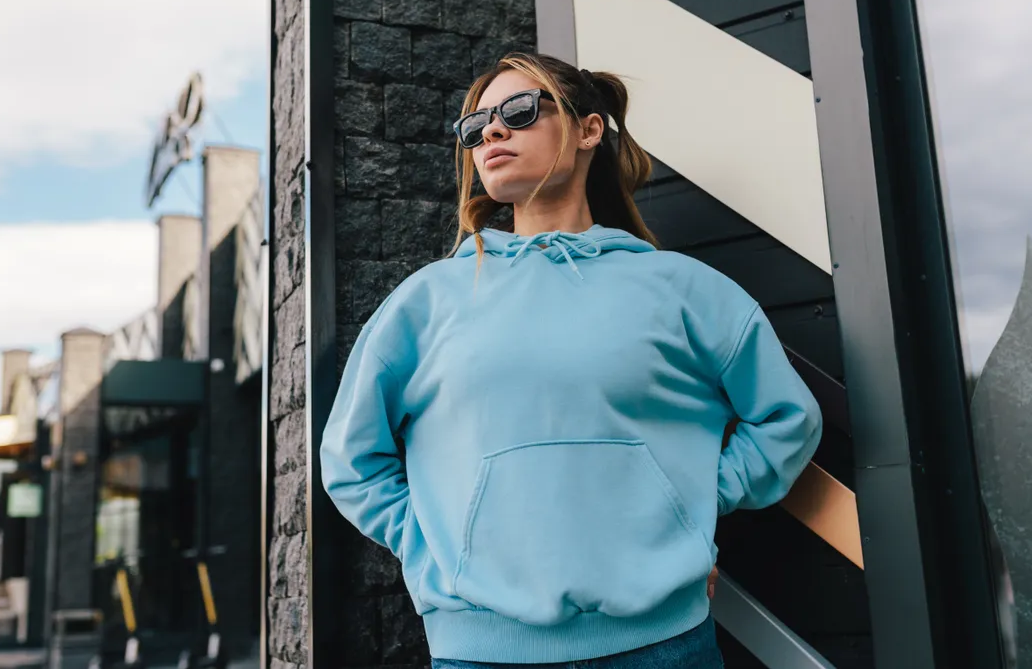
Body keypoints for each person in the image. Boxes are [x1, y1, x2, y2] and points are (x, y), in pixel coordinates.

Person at [320, 51, 823, 668]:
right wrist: (433, 545)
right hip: (480, 654)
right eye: (475, 127)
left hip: (663, 648)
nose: (493, 133)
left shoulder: (683, 289)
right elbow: (350, 460)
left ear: (589, 129)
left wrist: (689, 509)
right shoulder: (427, 300)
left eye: (519, 110)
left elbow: (786, 419)